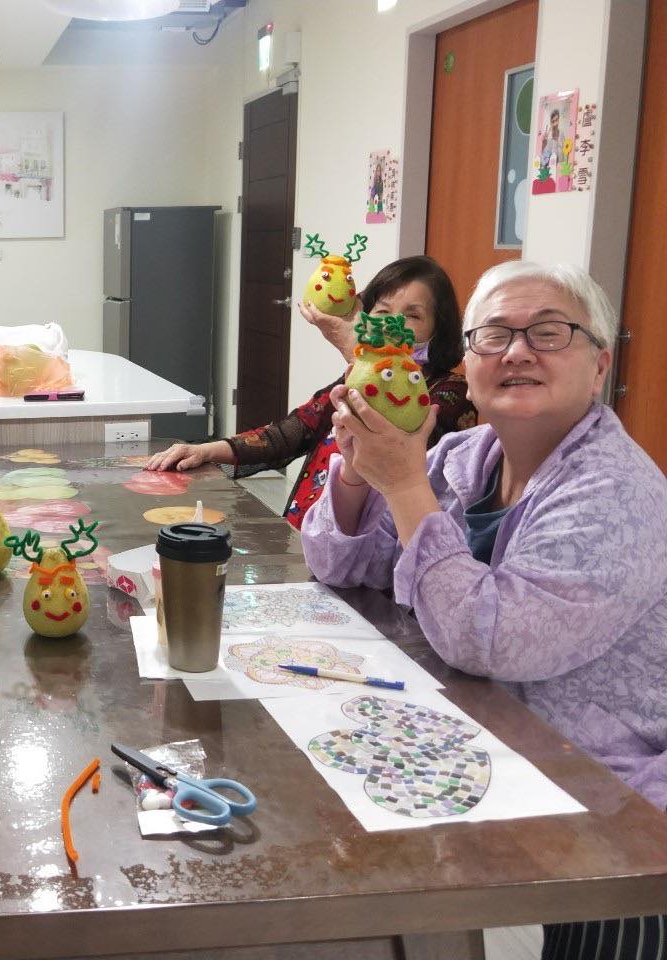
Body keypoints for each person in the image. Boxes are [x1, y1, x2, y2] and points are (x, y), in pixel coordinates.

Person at [301, 261, 667, 959]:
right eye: (494, 335)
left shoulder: (615, 492)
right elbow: (344, 564)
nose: (518, 352)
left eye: (549, 333)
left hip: (617, 804)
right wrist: (356, 468)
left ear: (599, 366)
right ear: (467, 367)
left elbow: (488, 638)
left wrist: (403, 483)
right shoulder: (466, 456)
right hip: (496, 757)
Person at [145, 256, 477, 527]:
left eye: (412, 315)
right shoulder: (354, 377)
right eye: (383, 311)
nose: (393, 324)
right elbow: (293, 431)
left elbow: (406, 446)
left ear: (438, 328)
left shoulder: (452, 393)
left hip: (374, 555)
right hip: (309, 530)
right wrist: (206, 450)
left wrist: (358, 354)